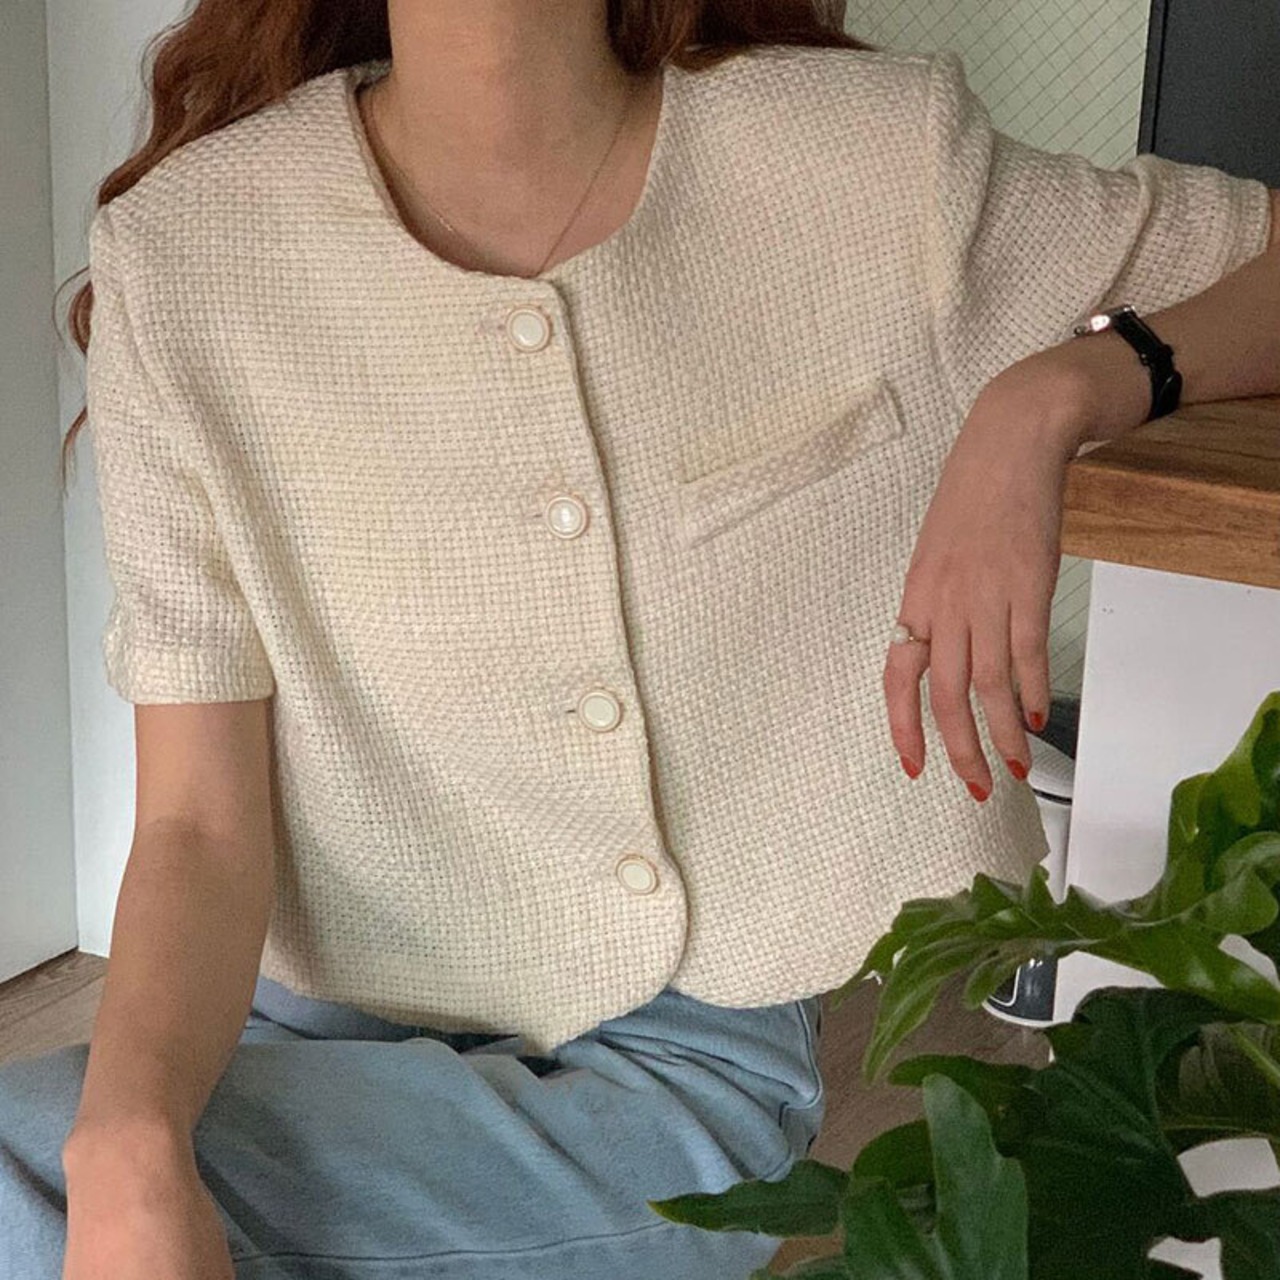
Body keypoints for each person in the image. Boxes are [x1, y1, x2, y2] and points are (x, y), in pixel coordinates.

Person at [5, 0, 1279, 1276]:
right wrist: (127, 1144)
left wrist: (1056, 393)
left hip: (671, 1068)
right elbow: (197, 822)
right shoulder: (185, 252)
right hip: (299, 1035)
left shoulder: (870, 163)